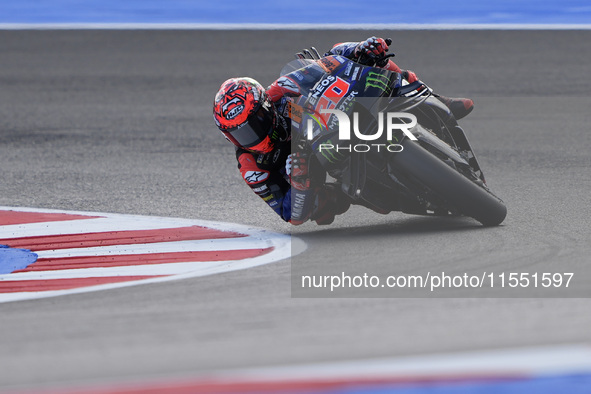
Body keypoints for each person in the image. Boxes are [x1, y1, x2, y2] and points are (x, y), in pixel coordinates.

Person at [212, 37, 474, 225]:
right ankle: (366, 191)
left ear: (266, 105)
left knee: (360, 55)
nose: (253, 135)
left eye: (256, 121)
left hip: (330, 126)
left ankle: (436, 98)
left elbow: (329, 61)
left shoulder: (280, 91)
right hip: (316, 171)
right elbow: (290, 215)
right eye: (241, 133)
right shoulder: (251, 164)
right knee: (326, 207)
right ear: (228, 135)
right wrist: (299, 183)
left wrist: (360, 50)